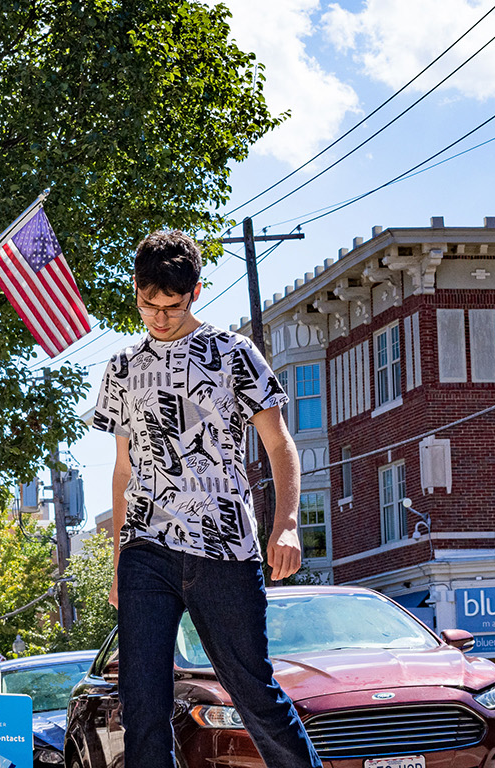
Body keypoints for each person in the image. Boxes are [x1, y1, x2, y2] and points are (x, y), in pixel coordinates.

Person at [89, 230, 322, 768]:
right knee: (141, 703)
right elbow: (124, 469)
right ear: (136, 291)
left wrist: (286, 524)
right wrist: (121, 561)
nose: (160, 317)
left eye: (172, 305)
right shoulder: (123, 367)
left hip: (223, 547)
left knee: (253, 694)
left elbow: (280, 443)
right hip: (148, 548)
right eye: (149, 304)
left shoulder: (234, 353)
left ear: (195, 292)